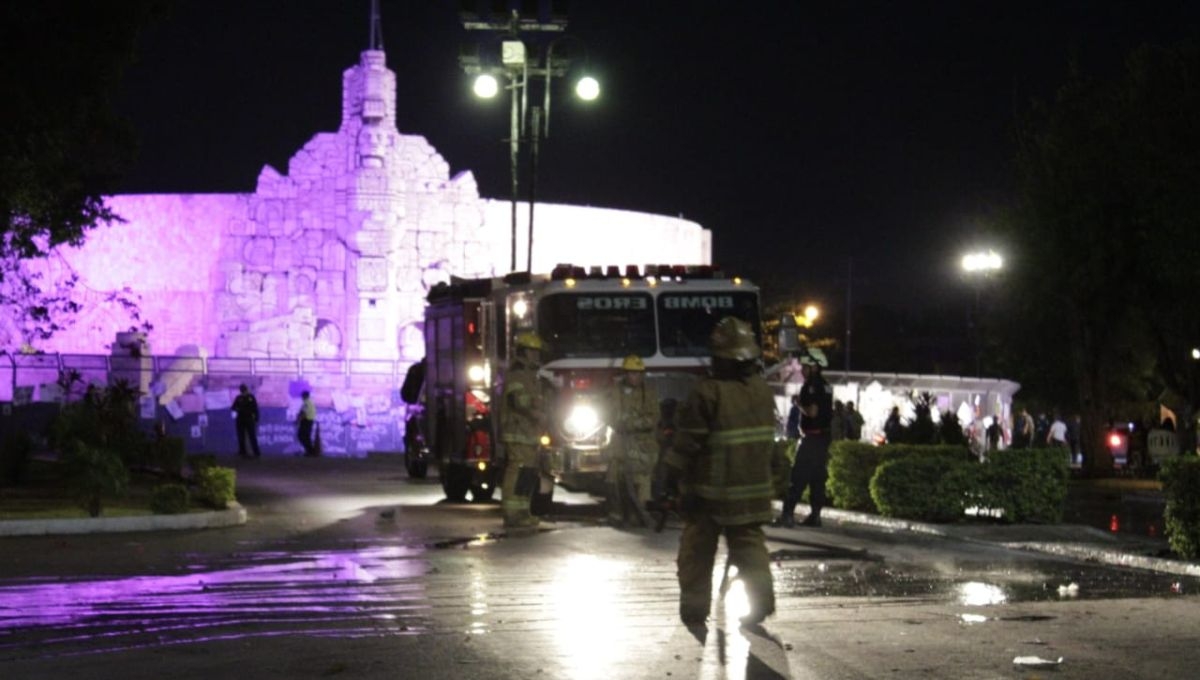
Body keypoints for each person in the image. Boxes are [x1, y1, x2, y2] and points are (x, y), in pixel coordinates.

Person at [663, 317, 781, 626]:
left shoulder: (708, 392)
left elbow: (688, 443)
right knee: (751, 549)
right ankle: (762, 603)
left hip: (710, 494)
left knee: (696, 552)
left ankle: (694, 609)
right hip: (754, 492)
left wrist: (667, 473)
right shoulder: (762, 392)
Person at [777, 347, 833, 528]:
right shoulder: (826, 385)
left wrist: (797, 403)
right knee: (817, 478)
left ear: (814, 366)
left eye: (805, 366)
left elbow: (812, 412)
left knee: (798, 476)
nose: (802, 369)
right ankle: (815, 516)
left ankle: (787, 515)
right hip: (823, 439)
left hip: (811, 439)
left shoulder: (811, 386)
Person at [605, 354, 661, 527]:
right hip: (620, 444)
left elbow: (653, 417)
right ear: (625, 374)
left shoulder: (649, 393)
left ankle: (638, 515)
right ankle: (617, 515)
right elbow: (609, 415)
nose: (634, 377)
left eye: (637, 373)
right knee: (613, 479)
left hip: (642, 446)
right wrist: (627, 421)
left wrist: (632, 422)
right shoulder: (615, 392)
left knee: (641, 481)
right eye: (630, 373)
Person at [499, 332, 548, 529]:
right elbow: (517, 400)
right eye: (532, 351)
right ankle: (512, 514)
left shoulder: (531, 374)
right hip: (517, 431)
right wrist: (537, 407)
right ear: (523, 352)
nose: (536, 355)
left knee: (527, 472)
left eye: (537, 352)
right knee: (517, 470)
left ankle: (522, 512)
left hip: (528, 432)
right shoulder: (517, 373)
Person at [232, 383, 261, 458]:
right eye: (243, 390)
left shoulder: (251, 397)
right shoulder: (238, 398)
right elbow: (233, 407)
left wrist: (256, 418)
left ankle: (256, 452)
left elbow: (255, 408)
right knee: (241, 436)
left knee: (252, 436)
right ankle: (242, 451)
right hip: (241, 419)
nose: (244, 391)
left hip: (249, 419)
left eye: (244, 390)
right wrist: (238, 409)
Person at [297, 390, 317, 456]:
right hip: (310, 421)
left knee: (301, 436)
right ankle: (310, 451)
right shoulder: (311, 402)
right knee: (307, 436)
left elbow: (303, 412)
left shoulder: (306, 403)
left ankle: (309, 451)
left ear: (304, 396)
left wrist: (298, 420)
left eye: (302, 396)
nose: (301, 397)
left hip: (306, 421)